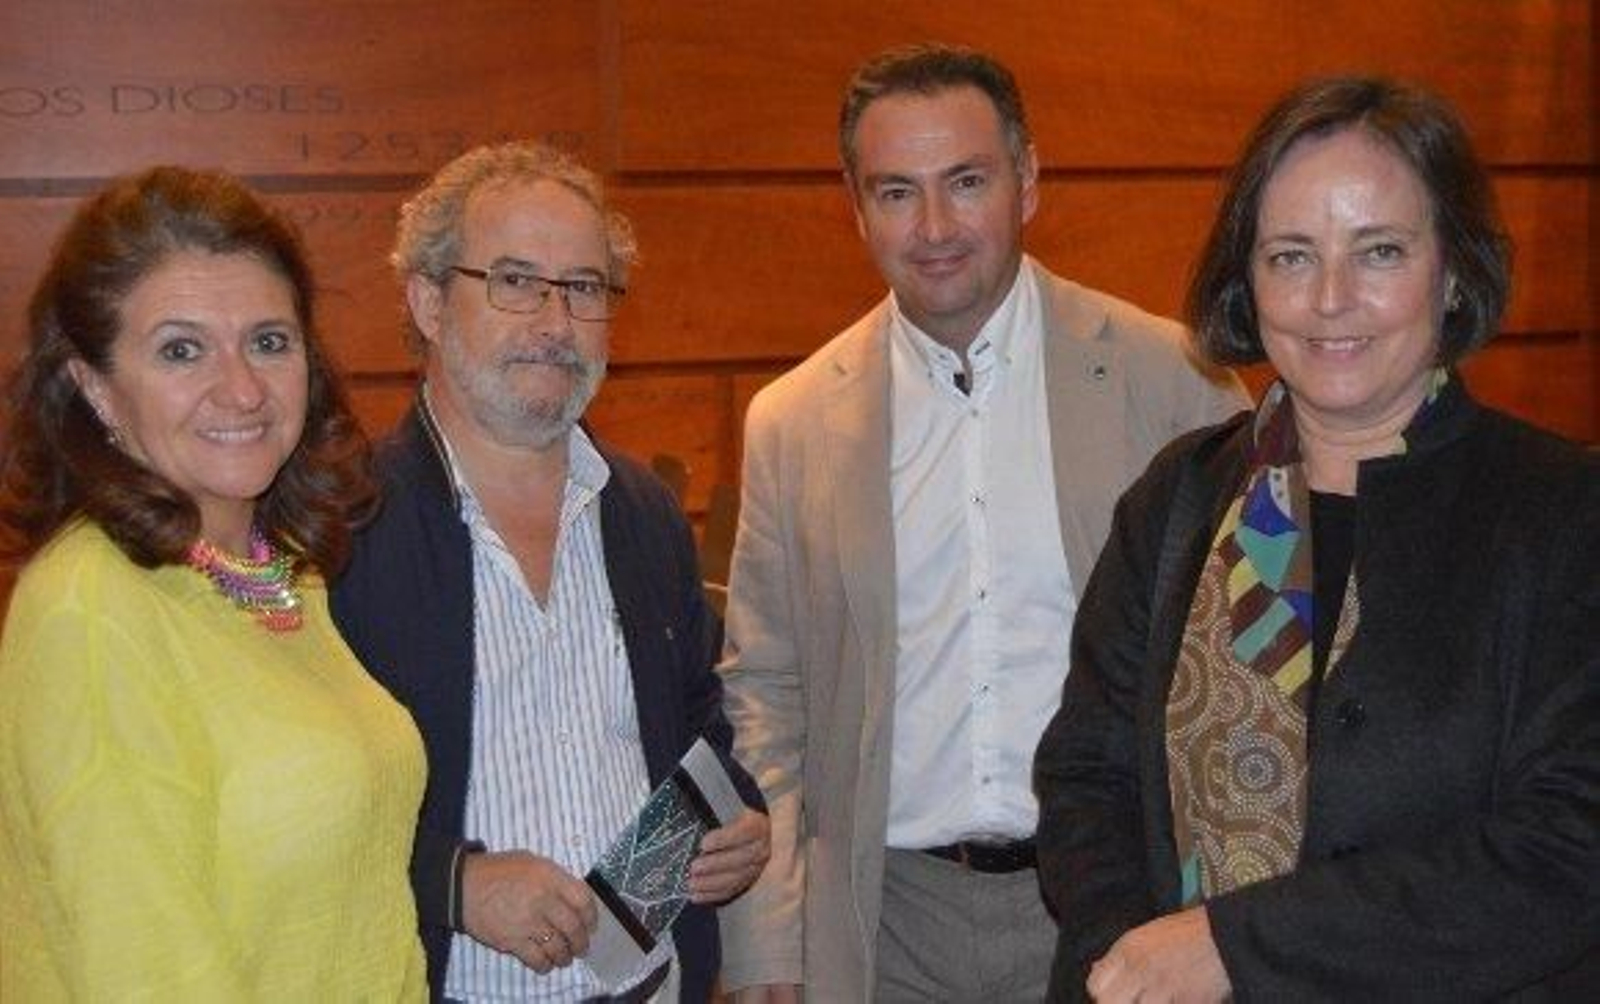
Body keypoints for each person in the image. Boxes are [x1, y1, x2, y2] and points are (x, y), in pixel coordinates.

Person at [1034, 76, 1600, 1001]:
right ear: (1247, 283)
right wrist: (1129, 959)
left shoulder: (1564, 514)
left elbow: (1570, 842)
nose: (1330, 298)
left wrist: (1232, 948)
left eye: (1378, 251)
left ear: (1452, 270)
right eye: (1290, 256)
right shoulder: (1180, 496)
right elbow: (1086, 774)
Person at [717, 43, 1247, 1002]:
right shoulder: (791, 423)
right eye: (895, 191)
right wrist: (766, 945)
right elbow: (766, 694)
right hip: (888, 926)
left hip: (1117, 908)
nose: (934, 227)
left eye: (966, 182)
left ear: (1028, 181)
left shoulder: (1177, 383)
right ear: (856, 205)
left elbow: (1246, 677)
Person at [329, 141, 770, 1003]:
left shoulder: (641, 514)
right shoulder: (342, 530)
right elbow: (299, 803)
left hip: (649, 985)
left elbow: (694, 722)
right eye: (516, 281)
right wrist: (453, 882)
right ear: (426, 300)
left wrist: (737, 820)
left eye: (583, 288)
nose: (556, 322)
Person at [0, 166, 426, 999]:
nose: (241, 388)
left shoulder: (279, 572)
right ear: (94, 388)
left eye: (269, 341)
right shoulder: (91, 610)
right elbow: (148, 972)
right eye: (181, 350)